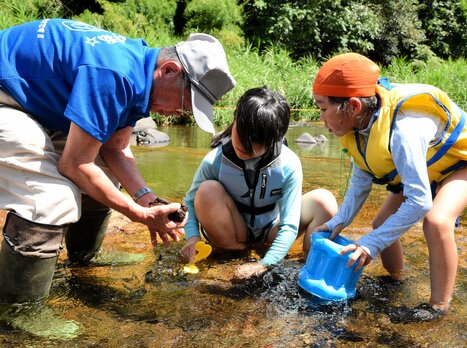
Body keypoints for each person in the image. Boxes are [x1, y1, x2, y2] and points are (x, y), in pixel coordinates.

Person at [0, 18, 236, 305]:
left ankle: (83, 260)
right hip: (7, 95)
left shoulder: (140, 72)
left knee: (102, 174)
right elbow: (73, 164)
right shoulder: (114, 74)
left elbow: (115, 148)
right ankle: (19, 310)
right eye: (186, 102)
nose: (178, 113)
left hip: (34, 101)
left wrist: (148, 201)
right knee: (52, 197)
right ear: (170, 70)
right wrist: (135, 214)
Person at [312, 53, 467, 321]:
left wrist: (369, 246)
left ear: (352, 106)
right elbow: (361, 180)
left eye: (323, 108)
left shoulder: (404, 129)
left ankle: (438, 308)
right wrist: (338, 221)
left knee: (436, 221)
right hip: (414, 173)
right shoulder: (360, 125)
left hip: (457, 167)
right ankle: (396, 280)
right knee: (380, 223)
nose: (321, 118)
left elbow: (420, 202)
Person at [180, 87, 338, 279]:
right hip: (234, 229)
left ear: (274, 140)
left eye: (253, 143)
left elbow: (289, 225)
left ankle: (307, 265)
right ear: (236, 118)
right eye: (241, 134)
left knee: (325, 201)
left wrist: (266, 263)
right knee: (206, 190)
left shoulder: (288, 164)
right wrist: (192, 237)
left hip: (270, 229)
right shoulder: (215, 161)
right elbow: (189, 202)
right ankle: (234, 254)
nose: (243, 146)